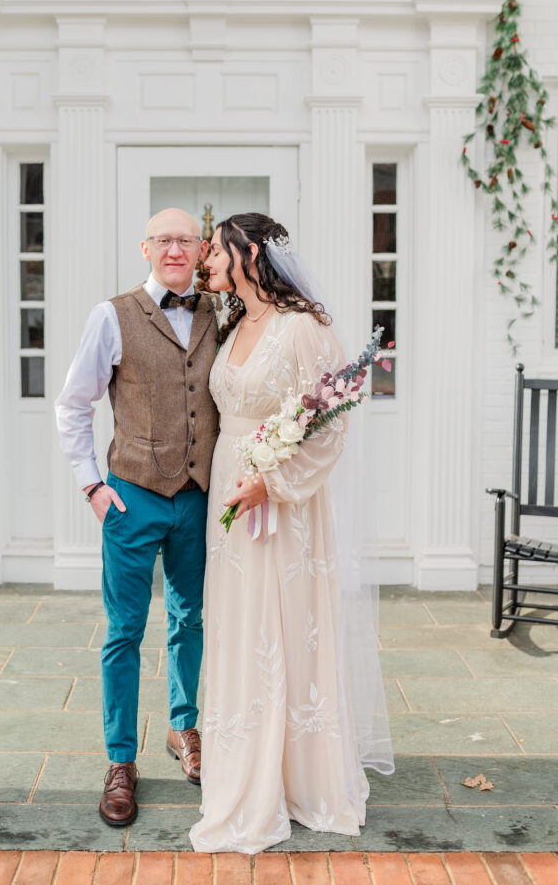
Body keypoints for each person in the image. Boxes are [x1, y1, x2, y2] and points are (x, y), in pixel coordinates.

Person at [189, 212, 393, 854]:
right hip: (230, 486)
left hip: (283, 499)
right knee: (240, 626)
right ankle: (248, 767)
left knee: (283, 624)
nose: (207, 262)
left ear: (250, 254)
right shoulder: (232, 324)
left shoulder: (304, 327)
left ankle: (300, 778)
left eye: (217, 252)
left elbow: (330, 423)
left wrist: (271, 482)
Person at [55, 208, 219, 828]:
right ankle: (121, 759)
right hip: (131, 495)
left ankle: (184, 728)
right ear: (145, 247)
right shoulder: (112, 315)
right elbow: (73, 403)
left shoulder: (219, 315)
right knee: (124, 630)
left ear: (201, 250)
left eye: (186, 239)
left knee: (189, 618)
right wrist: (92, 487)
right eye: (164, 239)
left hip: (198, 497)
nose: (175, 248)